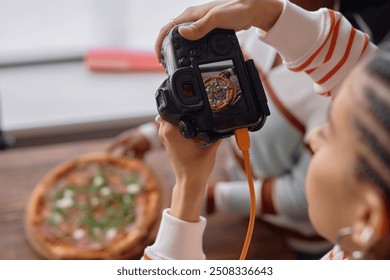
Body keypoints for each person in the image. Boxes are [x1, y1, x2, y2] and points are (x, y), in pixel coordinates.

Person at [140, 0, 390, 260]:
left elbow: (296, 194)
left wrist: (188, 192)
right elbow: (358, 75)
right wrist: (269, 14)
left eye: (331, 133)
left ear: (368, 215)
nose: (315, 138)